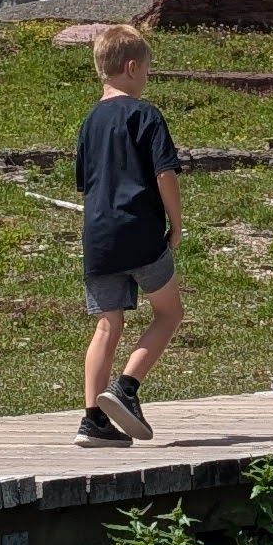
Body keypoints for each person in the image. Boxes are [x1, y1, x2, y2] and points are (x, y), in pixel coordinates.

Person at [74, 24, 185, 443]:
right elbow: (164, 173)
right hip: (139, 231)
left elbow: (85, 183)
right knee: (169, 313)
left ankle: (92, 420)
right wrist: (175, 222)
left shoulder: (89, 123)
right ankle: (127, 387)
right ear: (133, 67)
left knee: (107, 324)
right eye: (147, 71)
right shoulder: (145, 114)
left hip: (98, 238)